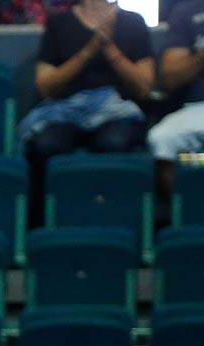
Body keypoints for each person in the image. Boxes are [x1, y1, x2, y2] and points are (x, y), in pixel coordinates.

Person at [19, 0, 152, 221]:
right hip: (64, 109)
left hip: (117, 111)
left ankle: (111, 221)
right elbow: (45, 86)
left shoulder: (133, 22)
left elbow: (145, 87)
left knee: (113, 144)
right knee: (46, 146)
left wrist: (108, 47)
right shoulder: (59, 23)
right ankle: (47, 224)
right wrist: (89, 50)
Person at [149, 0, 204, 195]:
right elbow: (169, 80)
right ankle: (186, 212)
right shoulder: (187, 11)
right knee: (162, 138)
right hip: (201, 107)